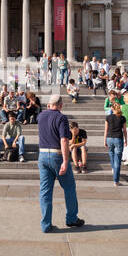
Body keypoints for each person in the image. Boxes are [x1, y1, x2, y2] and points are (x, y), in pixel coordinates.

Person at [37, 95, 85, 232]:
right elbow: (64, 140)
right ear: (61, 105)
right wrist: (65, 160)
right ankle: (71, 218)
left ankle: (46, 225)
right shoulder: (61, 117)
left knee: (45, 191)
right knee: (69, 186)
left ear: (48, 105)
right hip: (56, 155)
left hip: (42, 154)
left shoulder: (40, 116)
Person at [104, 102, 127, 186]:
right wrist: (126, 140)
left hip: (109, 138)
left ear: (112, 108)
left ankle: (113, 168)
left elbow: (106, 130)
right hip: (118, 138)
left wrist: (104, 140)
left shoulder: (108, 117)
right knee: (118, 159)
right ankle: (116, 181)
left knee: (111, 153)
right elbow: (124, 130)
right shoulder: (122, 118)